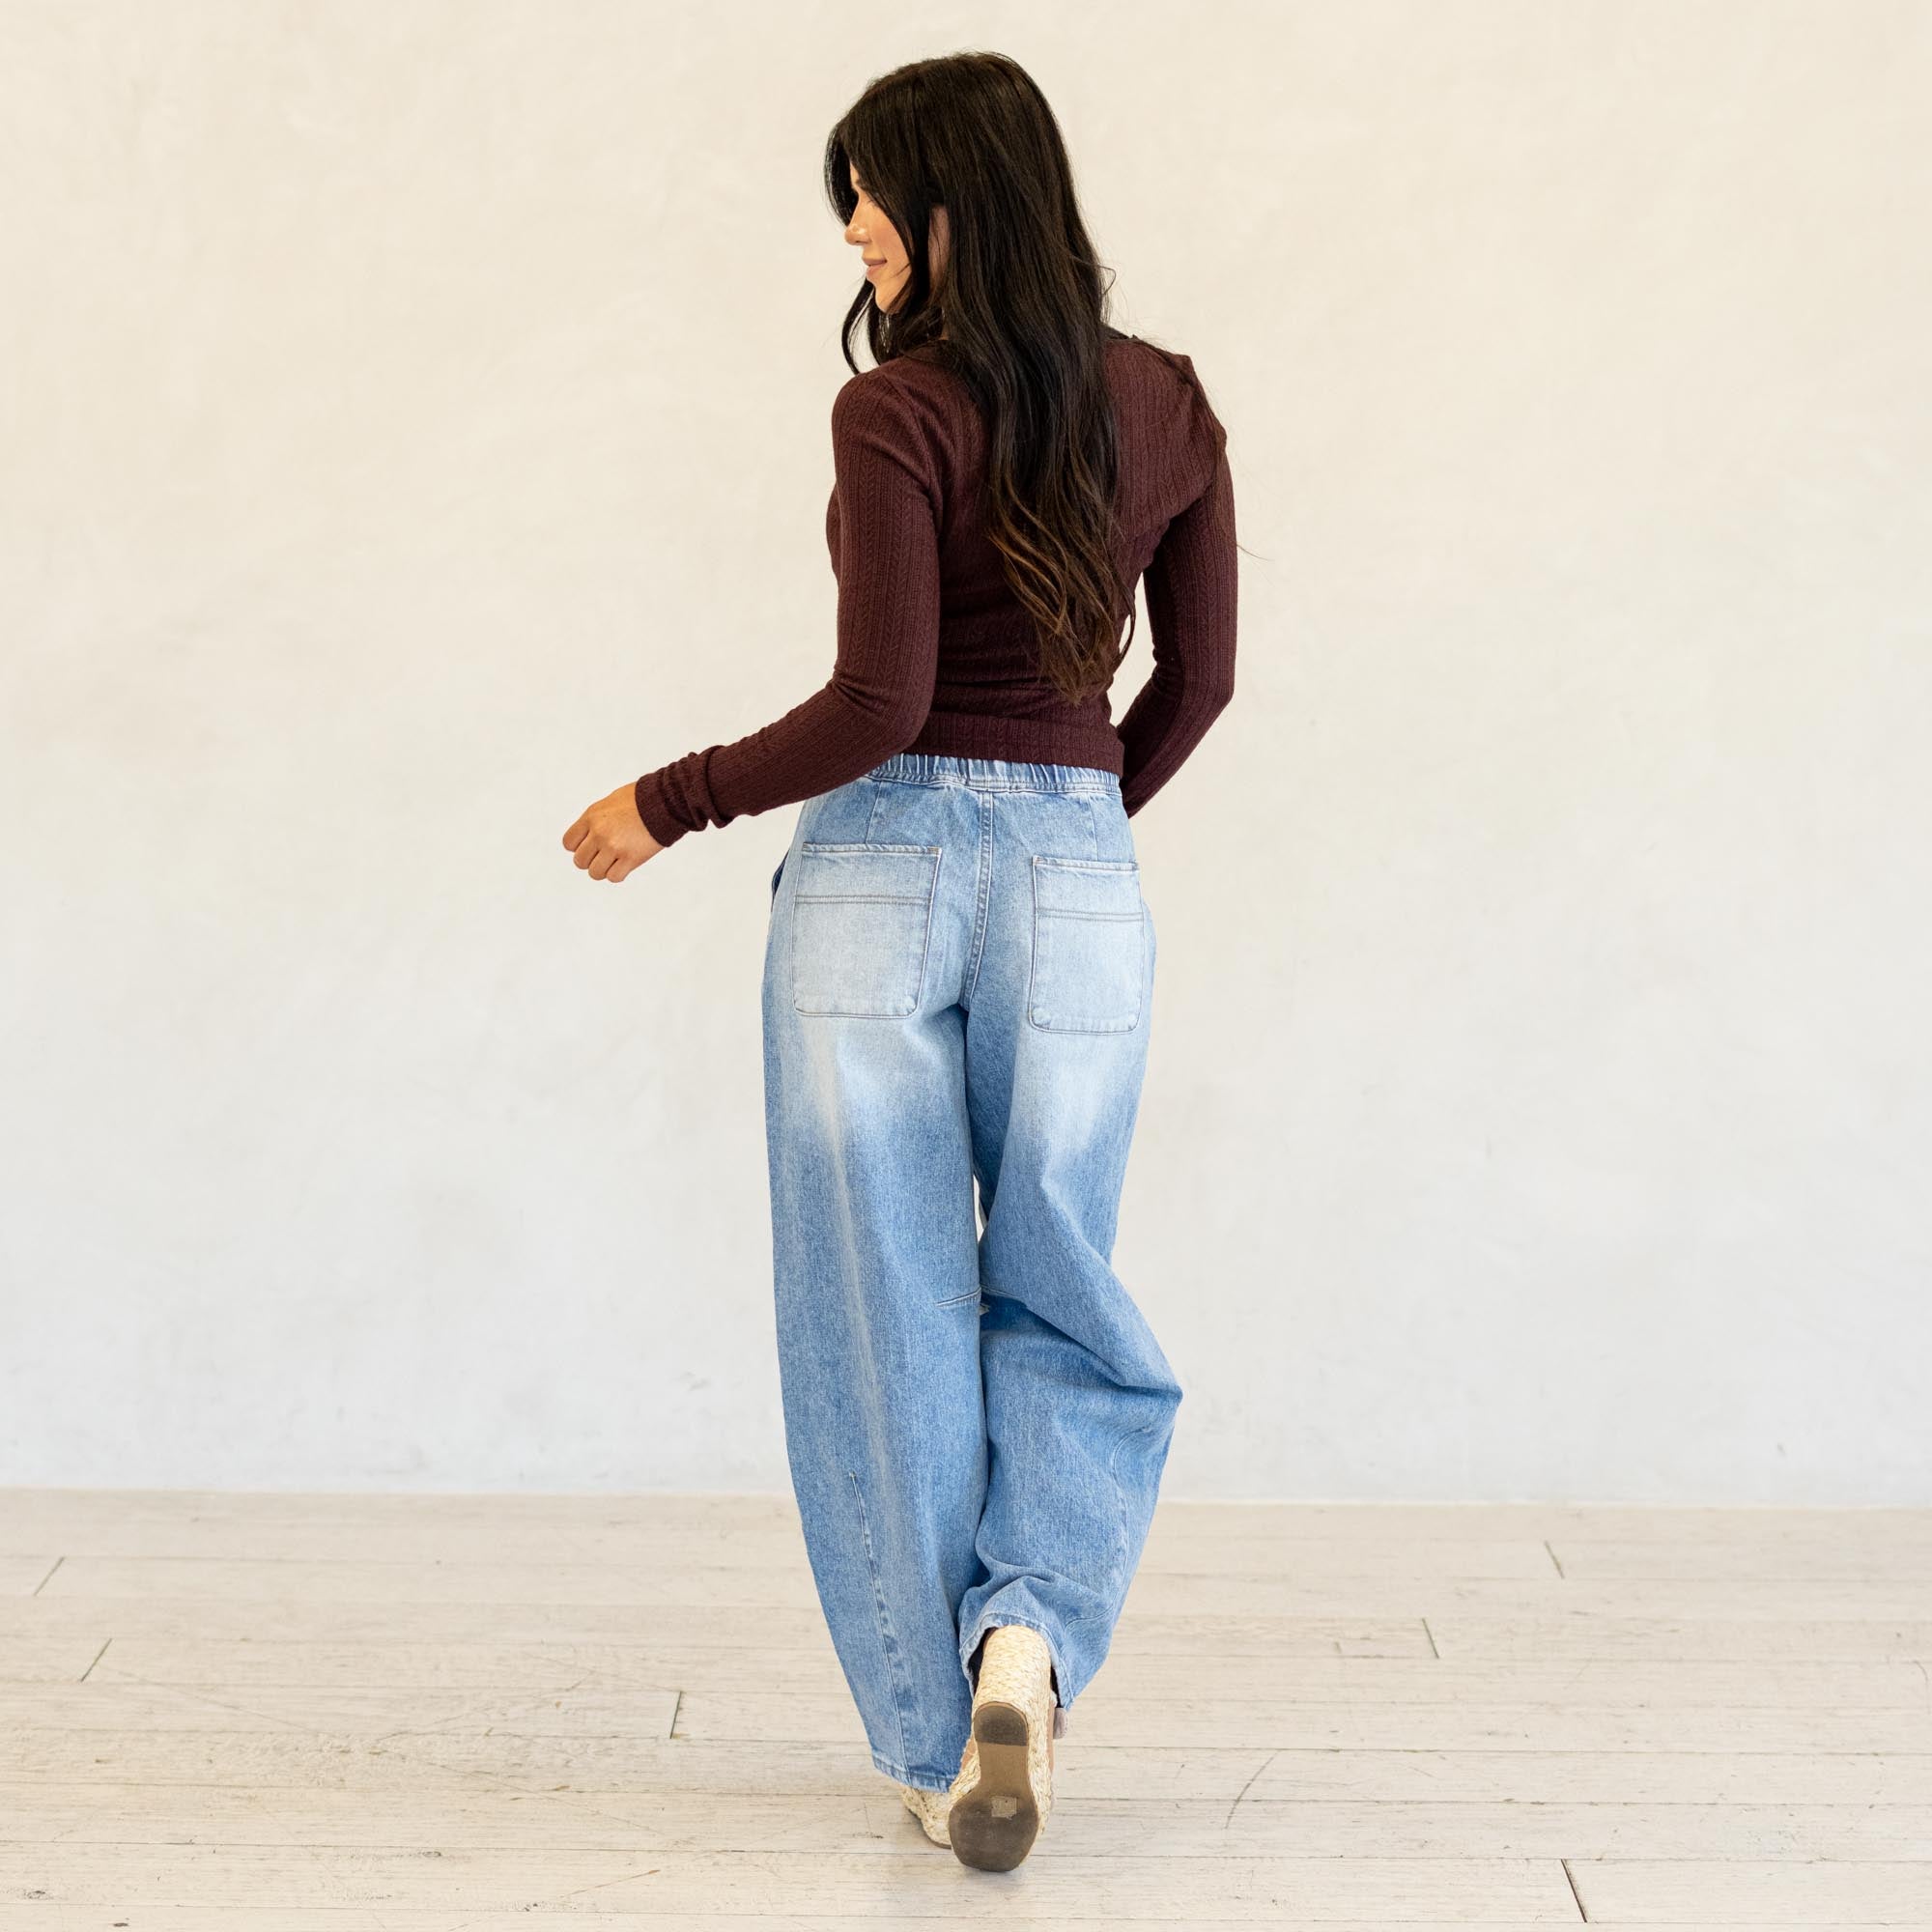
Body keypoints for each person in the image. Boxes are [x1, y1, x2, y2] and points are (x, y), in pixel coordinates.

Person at [561, 51, 1237, 1872]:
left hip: (877, 879)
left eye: (870, 192)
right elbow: (1199, 685)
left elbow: (881, 703)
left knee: (884, 1307)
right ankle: (1028, 1642)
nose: (852, 227)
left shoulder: (899, 410)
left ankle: (946, 1748)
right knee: (1062, 1272)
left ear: (957, 199)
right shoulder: (1170, 400)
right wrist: (1072, 822)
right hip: (1080, 880)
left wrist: (668, 800)